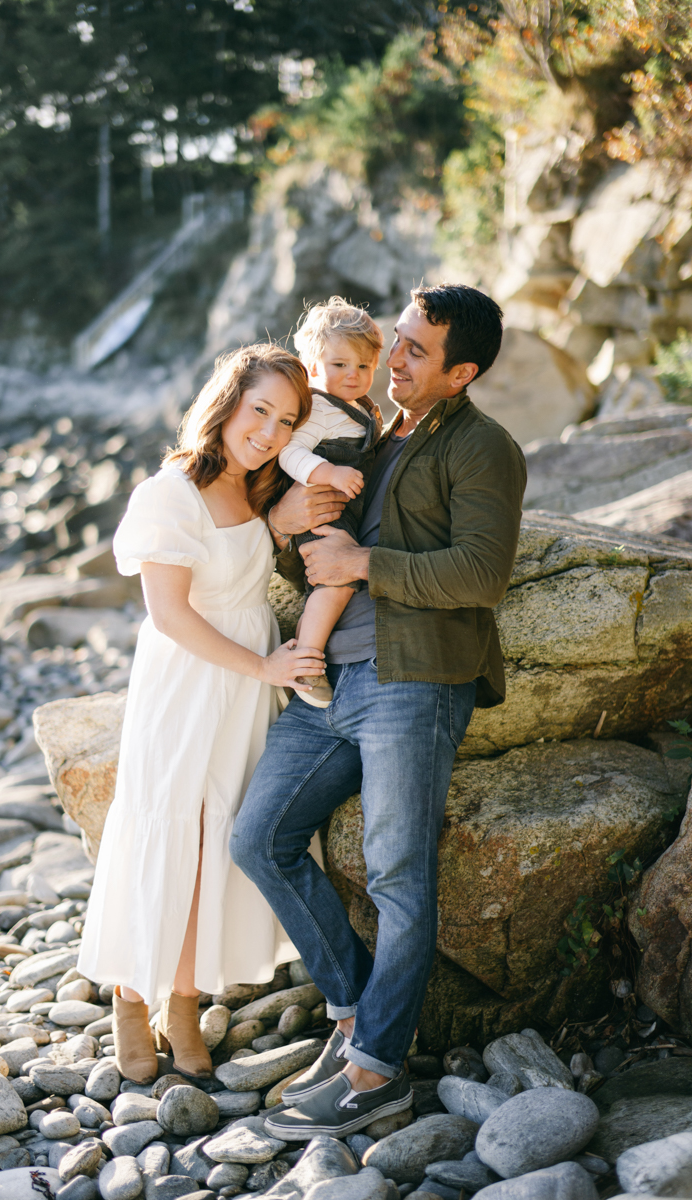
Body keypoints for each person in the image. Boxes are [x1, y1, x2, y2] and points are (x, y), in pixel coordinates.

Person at [231, 284, 528, 1138]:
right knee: (260, 839)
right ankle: (357, 1012)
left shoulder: (484, 448)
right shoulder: (367, 432)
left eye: (415, 352)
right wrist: (294, 532)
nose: (393, 361)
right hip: (327, 682)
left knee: (399, 872)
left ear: (462, 371)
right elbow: (322, 564)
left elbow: (480, 574)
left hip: (414, 683)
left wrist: (366, 561)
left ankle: (376, 1073)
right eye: (395, 342)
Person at [77, 343, 328, 1085]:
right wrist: (265, 665)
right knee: (166, 828)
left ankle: (181, 1001)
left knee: (218, 837)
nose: (270, 432)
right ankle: (129, 994)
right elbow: (170, 616)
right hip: (190, 681)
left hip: (246, 690)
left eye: (287, 421)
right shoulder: (168, 494)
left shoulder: (261, 490)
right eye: (260, 411)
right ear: (226, 402)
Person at [276, 298, 384, 710]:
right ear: (313, 364)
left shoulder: (358, 408)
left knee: (332, 586)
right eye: (340, 365)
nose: (353, 376)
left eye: (364, 367)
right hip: (320, 508)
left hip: (343, 512)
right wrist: (330, 473)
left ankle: (308, 632)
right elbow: (291, 452)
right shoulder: (318, 407)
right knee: (337, 585)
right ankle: (306, 662)